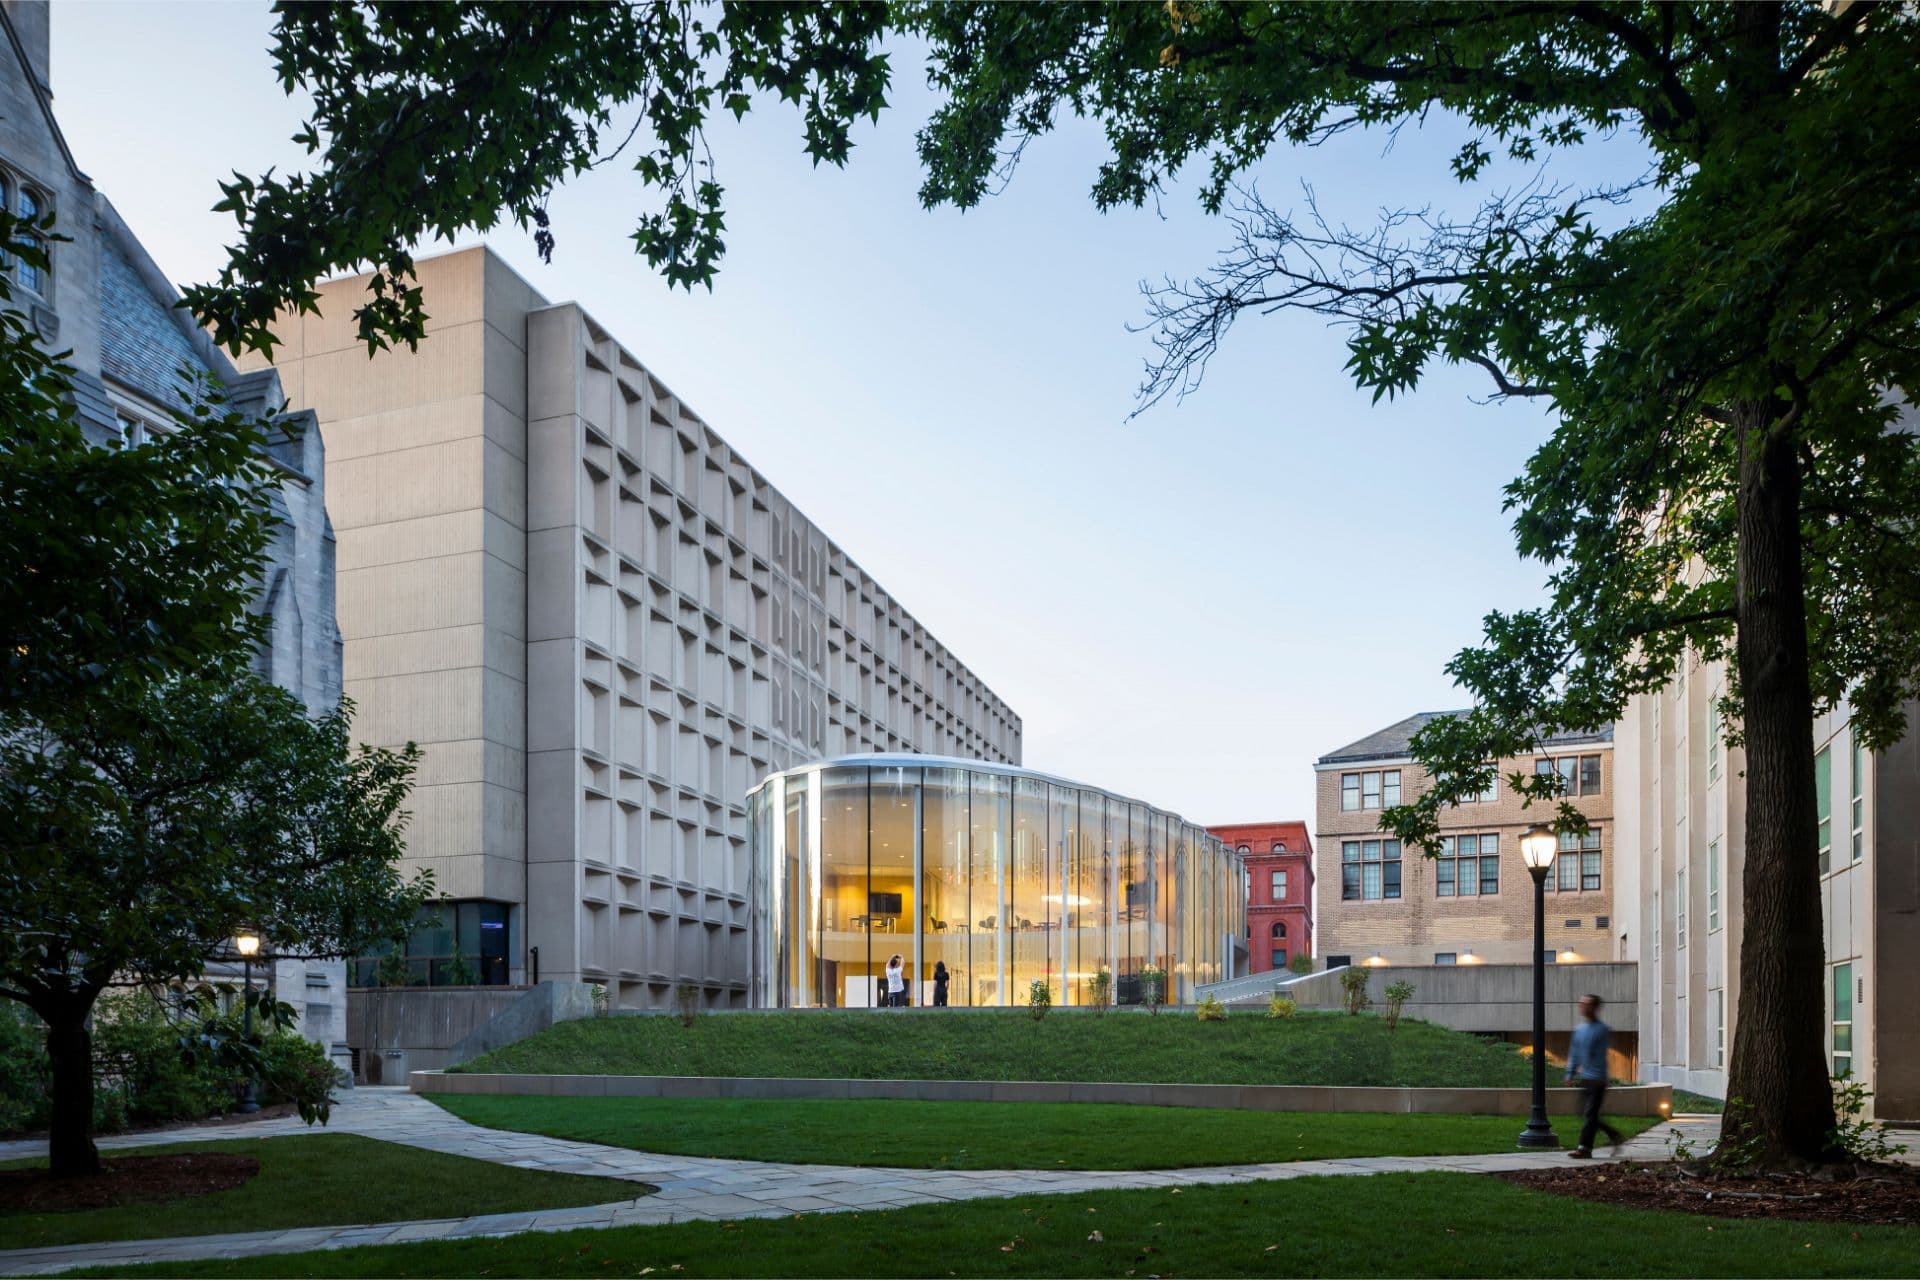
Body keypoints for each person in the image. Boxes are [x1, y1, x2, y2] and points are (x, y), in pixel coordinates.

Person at [1566, 992, 1624, 1158]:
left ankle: (1584, 1148)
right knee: (1584, 1113)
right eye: (1581, 1003)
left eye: (1587, 1004)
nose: (1583, 1007)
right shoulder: (1579, 1029)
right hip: (1586, 1077)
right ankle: (1614, 1135)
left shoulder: (1602, 1030)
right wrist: (1569, 1073)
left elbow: (1596, 1054)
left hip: (1597, 1079)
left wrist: (1601, 1078)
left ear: (1596, 1008)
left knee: (1590, 1115)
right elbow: (1575, 1052)